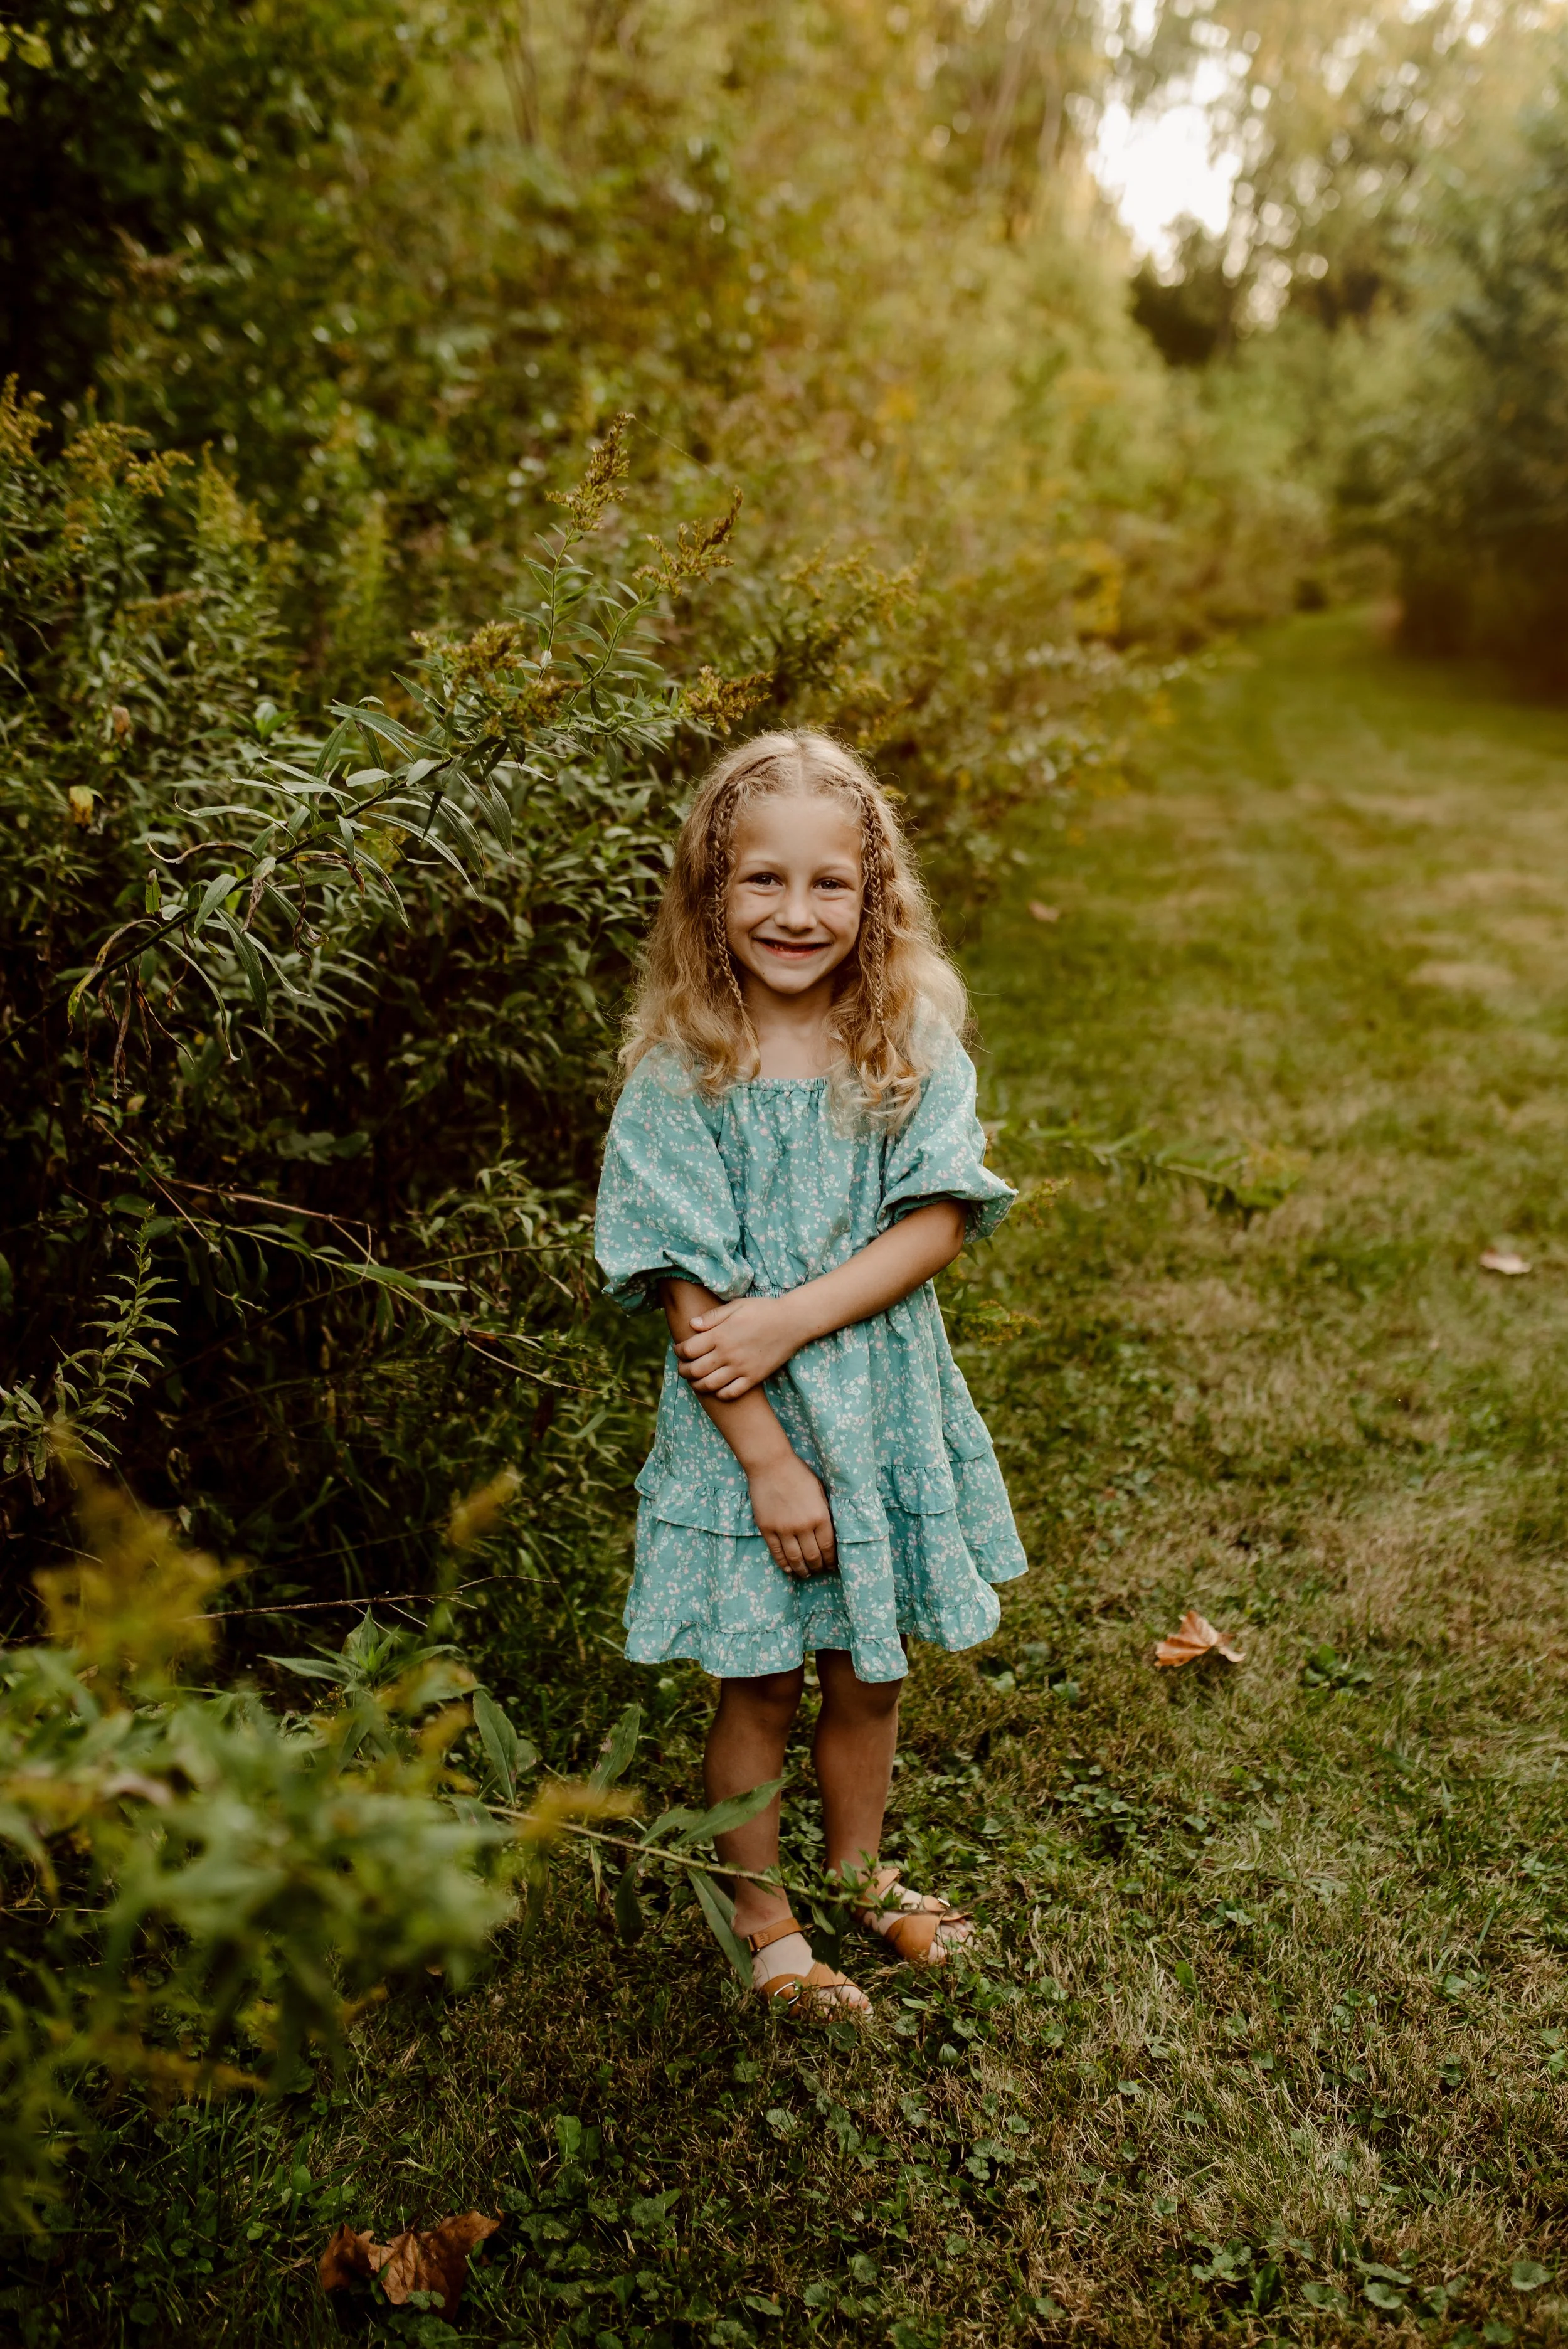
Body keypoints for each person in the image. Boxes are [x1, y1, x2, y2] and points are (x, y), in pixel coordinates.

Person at [593, 729, 1026, 2015]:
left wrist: (788, 1319)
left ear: (873, 891)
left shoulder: (903, 1039)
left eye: (827, 883)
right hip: (751, 1432)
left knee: (868, 1669)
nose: (795, 913)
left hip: (880, 1404)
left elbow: (938, 1217)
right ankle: (768, 1918)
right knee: (761, 1670)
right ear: (708, 893)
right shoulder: (682, 1069)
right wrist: (771, 1464)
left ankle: (857, 1872)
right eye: (759, 881)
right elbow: (690, 1290)